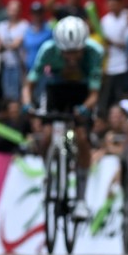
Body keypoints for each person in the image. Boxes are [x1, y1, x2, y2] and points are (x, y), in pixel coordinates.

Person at [22, 15, 103, 222]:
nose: (72, 58)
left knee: (81, 138)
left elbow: (94, 94)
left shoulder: (94, 53)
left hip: (82, 93)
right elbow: (30, 84)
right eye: (67, 52)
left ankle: (81, 200)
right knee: (47, 135)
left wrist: (85, 108)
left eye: (76, 52)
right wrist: (26, 104)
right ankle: (48, 173)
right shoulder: (47, 50)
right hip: (55, 91)